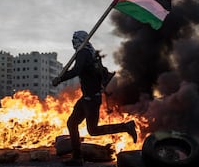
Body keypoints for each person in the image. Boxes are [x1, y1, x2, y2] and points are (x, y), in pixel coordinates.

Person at [52, 30, 137, 166]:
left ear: (80, 40)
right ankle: (77, 158)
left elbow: (77, 70)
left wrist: (60, 79)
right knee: (72, 123)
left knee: (93, 130)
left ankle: (126, 126)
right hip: (87, 98)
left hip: (91, 99)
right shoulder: (91, 53)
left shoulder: (82, 53)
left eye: (75, 40)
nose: (73, 43)